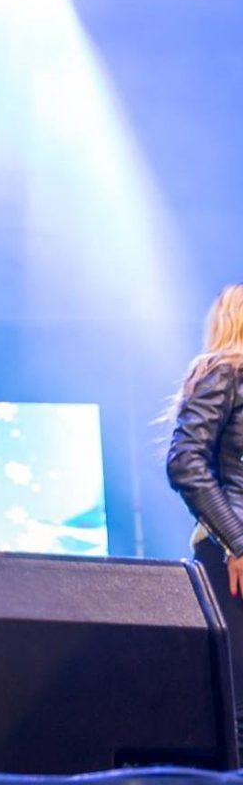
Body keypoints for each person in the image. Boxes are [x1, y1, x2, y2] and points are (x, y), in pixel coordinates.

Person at [167, 282, 243, 751]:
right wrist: (237, 542)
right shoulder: (226, 372)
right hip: (231, 557)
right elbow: (185, 461)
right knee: (237, 707)